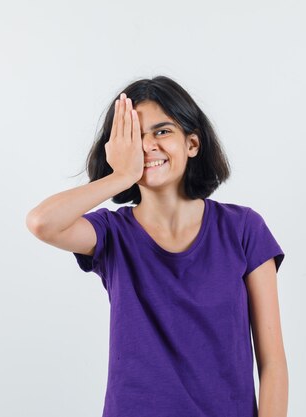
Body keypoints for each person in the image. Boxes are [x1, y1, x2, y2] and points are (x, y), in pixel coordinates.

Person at [26, 75, 288, 417]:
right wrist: (120, 176)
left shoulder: (242, 228)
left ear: (192, 144)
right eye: (134, 136)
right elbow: (42, 222)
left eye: (161, 131)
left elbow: (273, 365)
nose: (148, 145)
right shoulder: (112, 234)